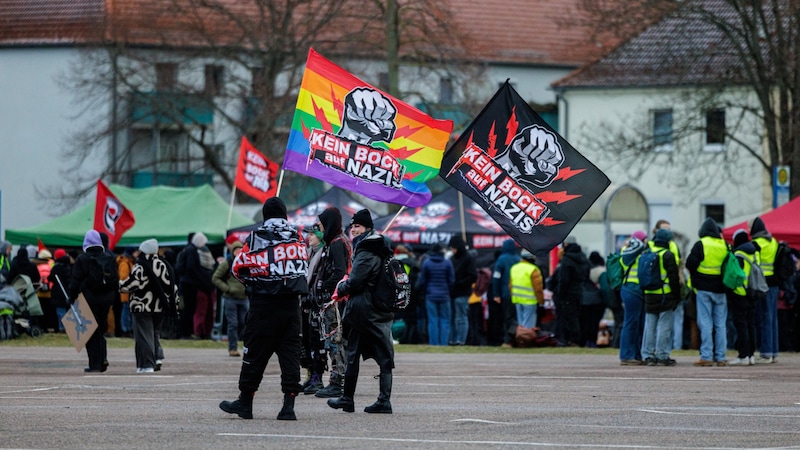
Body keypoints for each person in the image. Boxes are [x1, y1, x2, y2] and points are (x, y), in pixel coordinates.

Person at [220, 197, 308, 421]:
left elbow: (238, 267)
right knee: (290, 355)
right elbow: (303, 267)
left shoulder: (256, 236)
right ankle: (288, 406)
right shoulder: (299, 237)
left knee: (255, 354)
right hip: (291, 306)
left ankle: (245, 403)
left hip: (264, 305)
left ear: (265, 215)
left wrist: (252, 281)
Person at [327, 208, 396, 414]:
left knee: (355, 353)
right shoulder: (378, 246)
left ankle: (351, 399)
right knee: (382, 354)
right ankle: (373, 400)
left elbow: (357, 280)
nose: (353, 229)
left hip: (364, 309)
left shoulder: (367, 248)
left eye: (357, 226)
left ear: (367, 228)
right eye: (352, 226)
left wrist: (341, 288)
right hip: (377, 307)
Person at [310, 207, 352, 398]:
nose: (318, 227)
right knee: (337, 340)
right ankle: (339, 378)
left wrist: (325, 287)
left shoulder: (337, 243)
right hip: (338, 298)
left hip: (335, 300)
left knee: (335, 340)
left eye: (321, 223)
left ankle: (337, 380)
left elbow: (340, 272)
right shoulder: (340, 240)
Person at [120, 238, 176, 373]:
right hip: (160, 307)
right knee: (154, 334)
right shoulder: (164, 265)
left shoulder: (141, 266)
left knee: (143, 336)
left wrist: (120, 285)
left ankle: (146, 365)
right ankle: (157, 357)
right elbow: (171, 286)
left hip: (142, 306)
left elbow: (132, 284)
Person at [68, 230, 118, 373]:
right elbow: (115, 280)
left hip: (89, 298)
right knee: (100, 330)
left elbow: (75, 281)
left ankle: (95, 364)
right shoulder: (109, 257)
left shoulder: (82, 259)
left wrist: (71, 298)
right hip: (107, 299)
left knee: (90, 332)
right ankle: (103, 359)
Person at [686, 217, 729, 367]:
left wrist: (697, 277)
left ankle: (706, 356)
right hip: (721, 290)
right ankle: (721, 356)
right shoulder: (724, 245)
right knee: (720, 324)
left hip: (704, 289)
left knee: (705, 323)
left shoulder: (701, 244)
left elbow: (690, 263)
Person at [640, 229, 681, 366]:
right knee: (664, 326)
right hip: (665, 295)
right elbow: (673, 278)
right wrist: (677, 296)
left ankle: (649, 355)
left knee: (650, 326)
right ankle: (662, 355)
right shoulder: (667, 255)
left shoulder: (647, 252)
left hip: (649, 294)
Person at [750, 217, 780, 363]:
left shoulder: (756, 243)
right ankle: (774, 352)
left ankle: (766, 353)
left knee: (764, 318)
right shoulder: (773, 241)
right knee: (773, 318)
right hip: (774, 283)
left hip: (762, 284)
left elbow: (754, 265)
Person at [301, 223, 326, 393]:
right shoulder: (308, 253)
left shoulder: (324, 254)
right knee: (306, 340)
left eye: (312, 234)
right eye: (308, 234)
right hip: (304, 301)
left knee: (317, 341)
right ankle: (309, 373)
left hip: (317, 303)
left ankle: (318, 376)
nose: (308, 237)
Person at [212, 240, 248, 357]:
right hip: (230, 298)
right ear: (232, 251)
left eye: (240, 249)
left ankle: (246, 347)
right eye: (235, 250)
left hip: (244, 298)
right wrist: (227, 288)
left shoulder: (246, 263)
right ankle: (233, 348)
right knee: (233, 324)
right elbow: (215, 278)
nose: (237, 252)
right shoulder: (227, 263)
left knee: (245, 323)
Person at [727, 229, 758, 365]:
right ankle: (751, 355)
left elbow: (735, 274)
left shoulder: (738, 254)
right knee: (751, 324)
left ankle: (743, 355)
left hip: (740, 293)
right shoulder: (755, 253)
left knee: (741, 325)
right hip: (753, 293)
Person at [618, 231, 647, 365]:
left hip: (633, 290)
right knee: (630, 323)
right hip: (632, 289)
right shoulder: (631, 251)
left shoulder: (629, 250)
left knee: (636, 324)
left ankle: (635, 354)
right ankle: (626, 355)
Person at [554, 236, 589, 347]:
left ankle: (571, 340)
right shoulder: (583, 258)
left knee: (568, 317)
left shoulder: (567, 259)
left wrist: (560, 293)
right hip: (579, 291)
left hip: (568, 293)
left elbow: (563, 279)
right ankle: (577, 339)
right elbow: (587, 276)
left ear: (566, 245)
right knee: (577, 316)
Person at [417, 243, 454, 346]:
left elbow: (423, 280)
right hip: (445, 295)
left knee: (433, 320)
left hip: (430, 295)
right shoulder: (447, 263)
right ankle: (444, 343)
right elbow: (451, 280)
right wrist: (447, 290)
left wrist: (427, 290)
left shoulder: (427, 263)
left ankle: (434, 343)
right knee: (445, 320)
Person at [447, 235, 477, 346]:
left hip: (462, 293)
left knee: (460, 317)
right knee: (453, 317)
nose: (452, 250)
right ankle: (453, 340)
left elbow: (473, 276)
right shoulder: (452, 258)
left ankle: (461, 340)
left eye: (453, 248)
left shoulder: (467, 258)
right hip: (453, 293)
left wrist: (459, 283)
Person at [491, 239, 520, 347]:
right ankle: (518, 338)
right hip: (518, 294)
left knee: (507, 317)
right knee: (517, 318)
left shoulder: (501, 260)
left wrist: (496, 294)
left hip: (506, 294)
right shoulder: (518, 259)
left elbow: (496, 278)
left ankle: (508, 340)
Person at [508, 249, 544, 330]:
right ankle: (526, 341)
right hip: (530, 301)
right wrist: (541, 302)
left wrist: (513, 297)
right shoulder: (533, 269)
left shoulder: (514, 268)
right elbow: (538, 289)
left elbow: (510, 286)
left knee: (521, 326)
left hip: (517, 300)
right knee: (528, 327)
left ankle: (521, 341)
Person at [581, 251, 609, 348]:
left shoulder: (585, 268)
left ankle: (585, 341)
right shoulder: (601, 271)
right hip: (596, 300)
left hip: (583, 299)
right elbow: (604, 287)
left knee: (585, 322)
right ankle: (592, 342)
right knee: (594, 323)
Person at [47, 248, 72, 332]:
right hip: (68, 291)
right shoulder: (69, 265)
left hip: (58, 292)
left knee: (60, 311)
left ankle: (62, 327)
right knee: (67, 310)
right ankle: (68, 327)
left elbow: (51, 277)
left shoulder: (57, 267)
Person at [116, 247, 136, 338]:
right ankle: (125, 329)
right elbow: (123, 277)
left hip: (128, 291)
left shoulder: (129, 262)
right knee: (126, 312)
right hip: (127, 292)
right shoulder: (125, 263)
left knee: (127, 312)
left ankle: (127, 329)